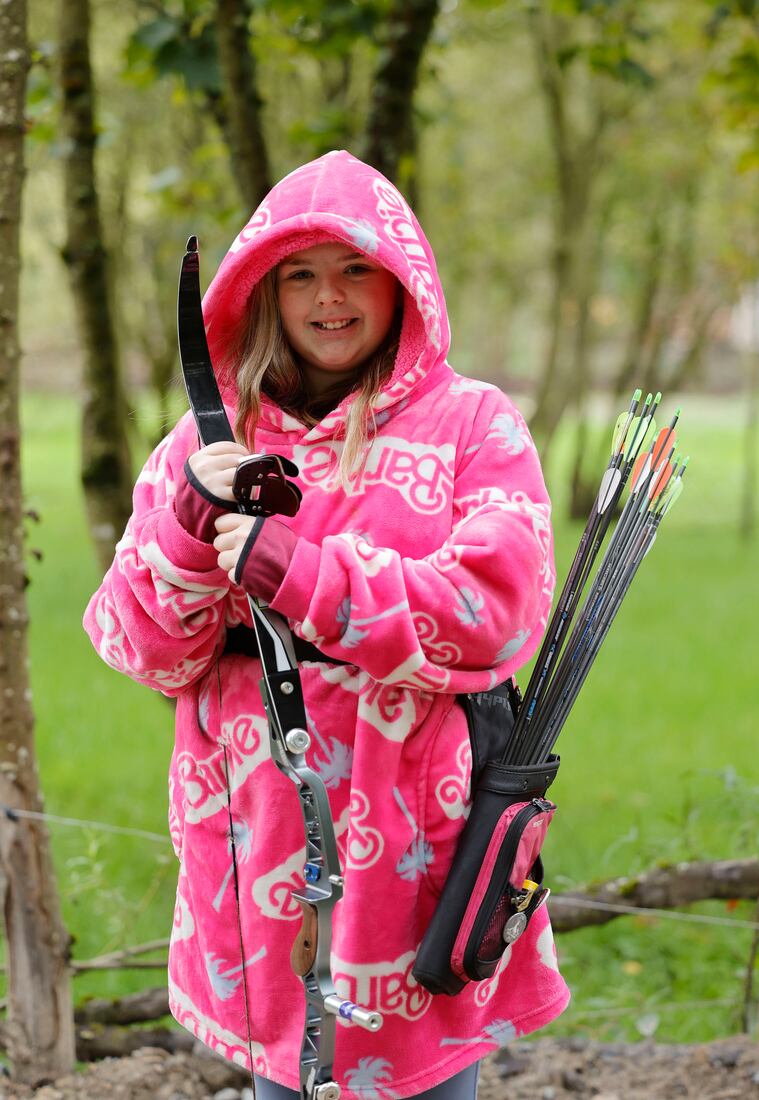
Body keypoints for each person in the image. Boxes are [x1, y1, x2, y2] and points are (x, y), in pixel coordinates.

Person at [84, 151, 569, 1100]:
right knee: (286, 1079)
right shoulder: (205, 442)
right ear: (262, 289)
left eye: (355, 269)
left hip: (417, 841)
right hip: (258, 835)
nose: (329, 298)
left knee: (423, 1071)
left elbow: (497, 611)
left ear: (402, 283)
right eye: (300, 273)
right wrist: (188, 533)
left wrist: (301, 575)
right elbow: (134, 642)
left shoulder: (473, 425)